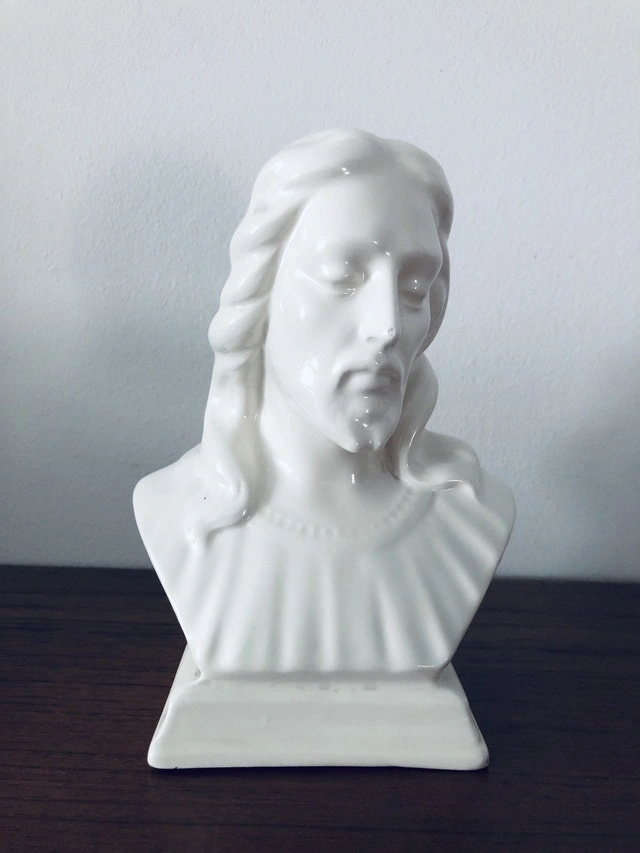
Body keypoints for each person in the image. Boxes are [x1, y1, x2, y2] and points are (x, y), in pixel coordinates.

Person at [134, 129, 515, 678]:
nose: (387, 326)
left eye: (413, 289)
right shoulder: (179, 514)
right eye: (343, 277)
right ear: (259, 291)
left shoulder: (469, 511)